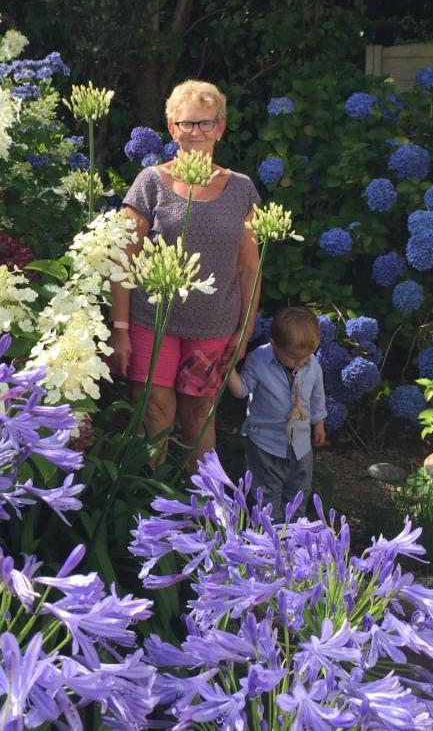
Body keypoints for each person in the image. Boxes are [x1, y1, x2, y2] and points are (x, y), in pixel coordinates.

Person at [110, 80, 261, 466]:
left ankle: (203, 510)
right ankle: (151, 503)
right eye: (187, 124)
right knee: (155, 416)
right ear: (172, 128)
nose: (196, 132)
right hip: (151, 322)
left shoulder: (241, 189)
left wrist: (244, 331)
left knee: (199, 415)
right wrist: (120, 330)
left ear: (221, 128)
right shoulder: (152, 182)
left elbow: (249, 267)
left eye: (205, 123)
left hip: (213, 328)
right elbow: (123, 257)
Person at [227, 306, 327, 519]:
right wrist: (228, 371)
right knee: (266, 494)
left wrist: (318, 422)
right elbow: (242, 390)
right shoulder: (259, 360)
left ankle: (296, 535)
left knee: (299, 490)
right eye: (292, 359)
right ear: (273, 344)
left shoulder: (313, 364)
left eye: (305, 358)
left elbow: (317, 395)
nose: (300, 364)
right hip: (265, 444)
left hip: (300, 445)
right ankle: (269, 537)